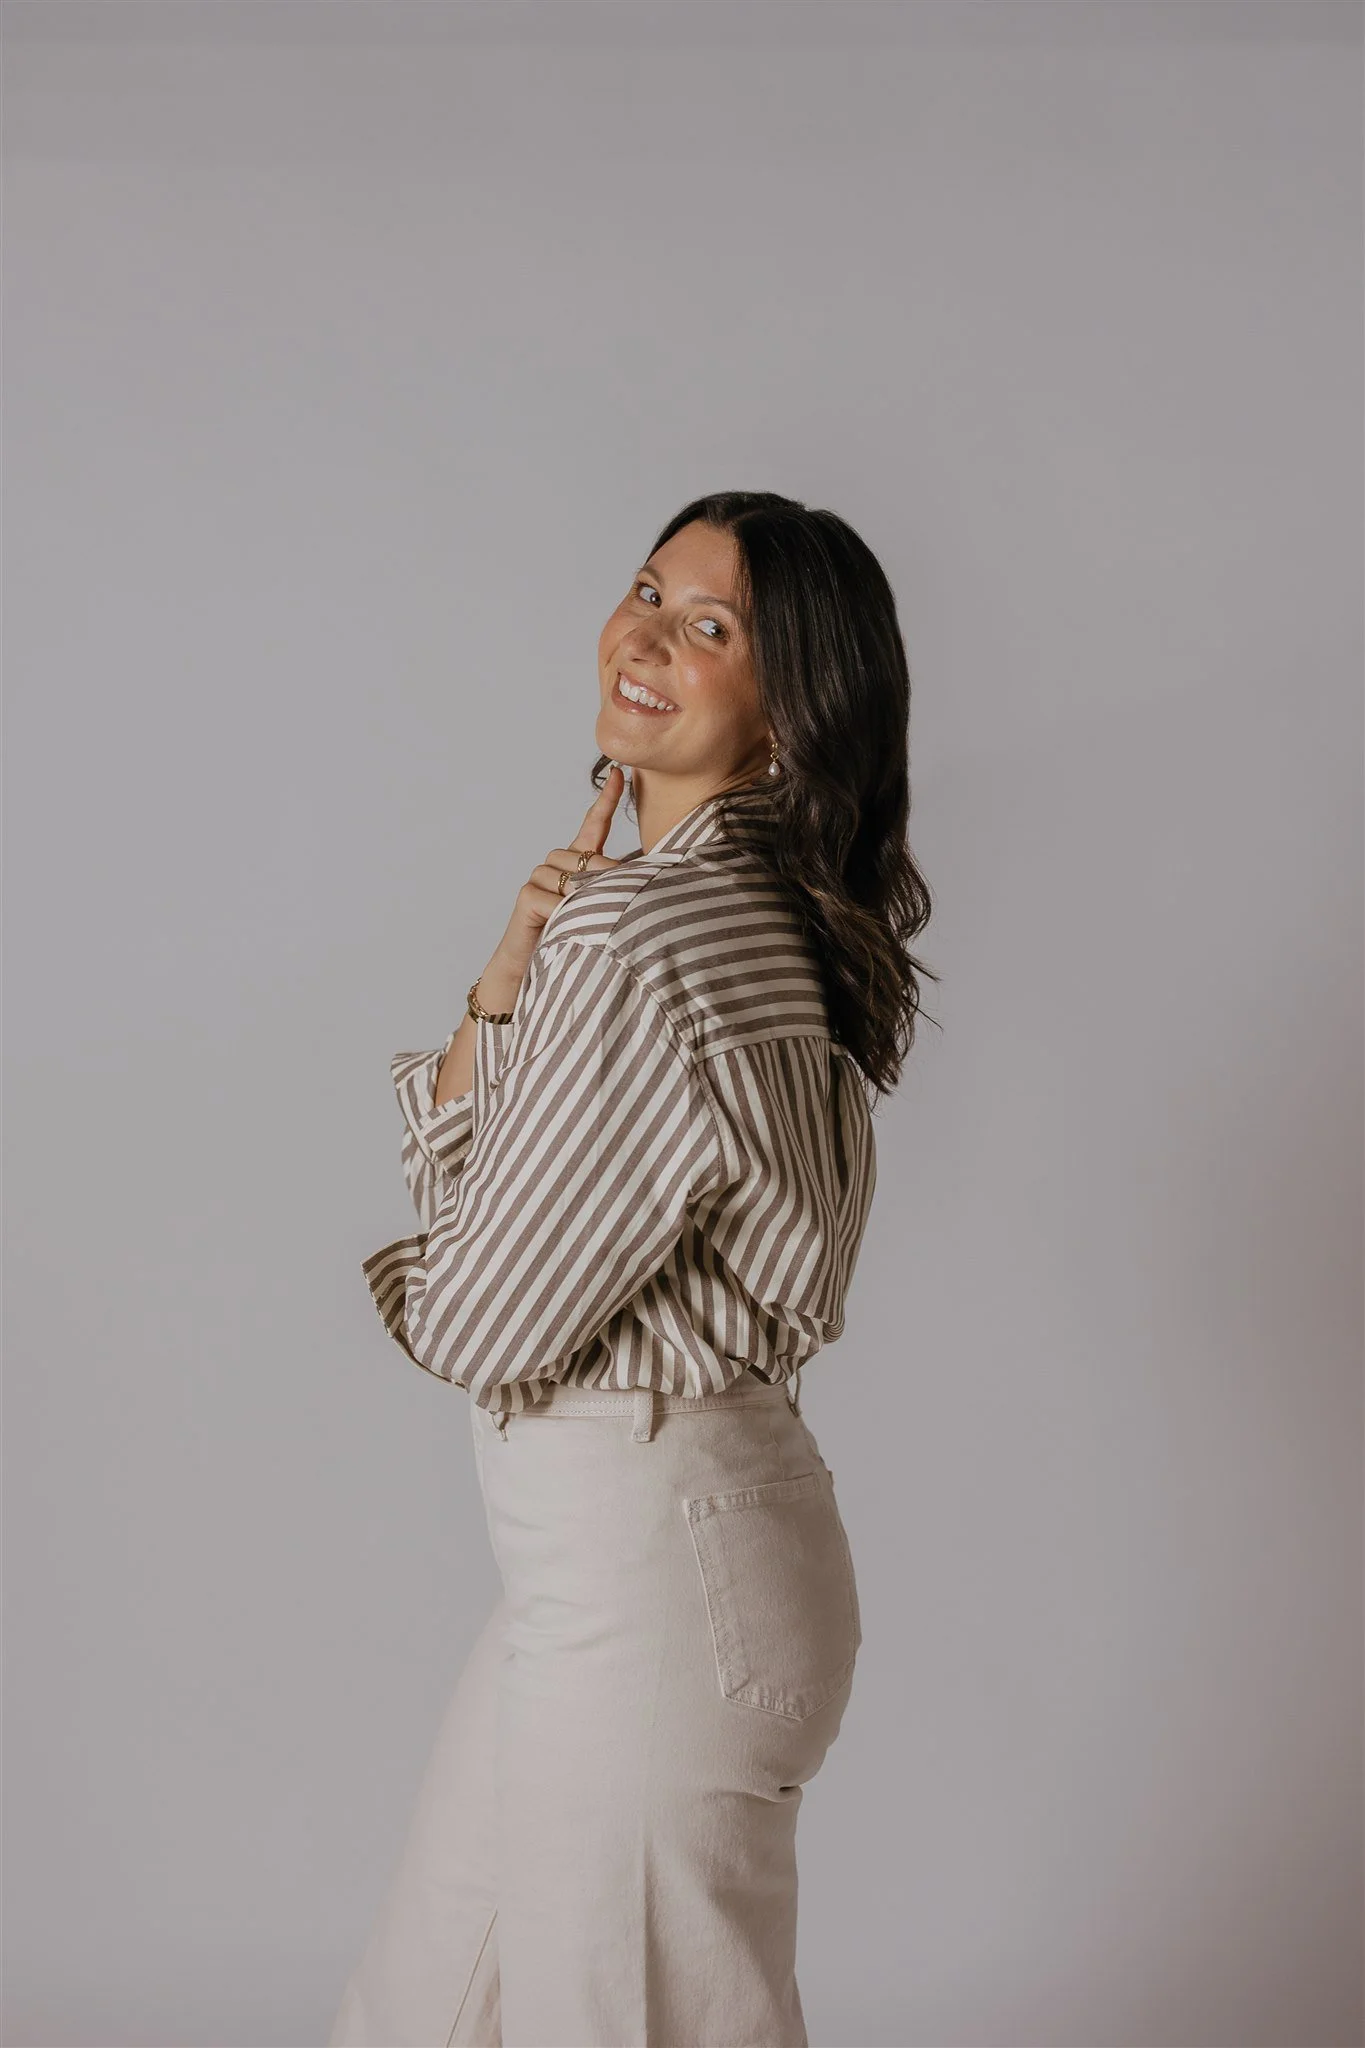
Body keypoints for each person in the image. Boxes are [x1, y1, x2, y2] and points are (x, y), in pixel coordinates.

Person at [328, 490, 935, 2048]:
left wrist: (515, 1002)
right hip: (673, 1556)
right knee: (427, 2007)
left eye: (713, 626)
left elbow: (479, 1321)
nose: (650, 632)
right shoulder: (773, 916)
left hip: (652, 1570)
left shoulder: (646, 938)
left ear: (789, 714)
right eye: (650, 588)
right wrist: (511, 976)